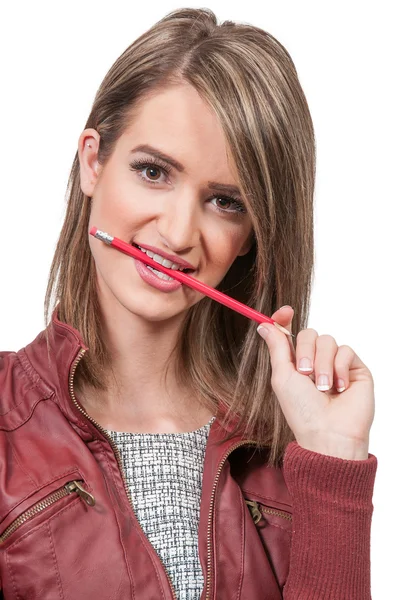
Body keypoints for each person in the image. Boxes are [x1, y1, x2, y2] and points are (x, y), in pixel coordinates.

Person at [0, 7, 377, 600]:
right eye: (153, 171)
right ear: (93, 162)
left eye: (225, 201)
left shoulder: (291, 447)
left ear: (253, 234)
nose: (178, 234)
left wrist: (334, 461)